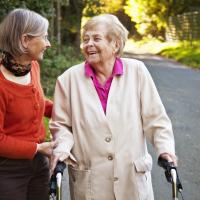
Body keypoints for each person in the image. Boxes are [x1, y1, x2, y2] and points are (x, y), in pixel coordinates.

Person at [50, 14, 177, 200]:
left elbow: (155, 119)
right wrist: (62, 148)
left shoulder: (137, 72)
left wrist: (165, 150)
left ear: (115, 44)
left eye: (96, 38)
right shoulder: (67, 80)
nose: (88, 44)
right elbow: (61, 126)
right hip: (91, 184)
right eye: (86, 39)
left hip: (132, 181)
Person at [0, 8, 56, 200]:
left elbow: (37, 102)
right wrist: (38, 148)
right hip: (8, 170)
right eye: (44, 37)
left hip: (39, 164)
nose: (48, 44)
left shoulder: (33, 67)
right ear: (25, 40)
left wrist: (65, 110)